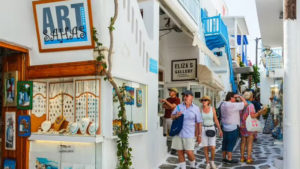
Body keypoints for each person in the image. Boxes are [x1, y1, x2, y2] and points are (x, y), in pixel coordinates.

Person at [171, 90, 202, 169]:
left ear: (192, 97)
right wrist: (176, 115)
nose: (185, 97)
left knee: (189, 152)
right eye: (184, 96)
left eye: (187, 96)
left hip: (189, 134)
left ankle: (192, 166)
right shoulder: (179, 106)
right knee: (180, 152)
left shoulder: (196, 108)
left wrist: (199, 135)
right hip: (178, 133)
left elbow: (199, 123)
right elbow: (172, 116)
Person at [240, 91, 267, 164]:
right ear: (251, 97)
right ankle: (249, 158)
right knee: (249, 142)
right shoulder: (250, 105)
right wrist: (259, 112)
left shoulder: (241, 104)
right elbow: (253, 116)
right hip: (249, 125)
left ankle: (242, 157)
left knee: (243, 142)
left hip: (242, 125)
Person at [220, 92, 247, 163]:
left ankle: (223, 157)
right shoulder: (233, 105)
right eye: (235, 98)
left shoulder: (222, 104)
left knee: (225, 142)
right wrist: (240, 96)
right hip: (233, 126)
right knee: (231, 143)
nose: (235, 99)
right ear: (231, 97)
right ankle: (229, 158)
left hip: (225, 126)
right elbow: (245, 103)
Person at [200, 96, 223, 169]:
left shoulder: (212, 109)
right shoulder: (200, 110)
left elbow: (216, 120)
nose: (204, 101)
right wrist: (199, 133)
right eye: (203, 100)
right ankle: (207, 163)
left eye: (205, 100)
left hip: (211, 128)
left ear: (208, 101)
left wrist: (220, 130)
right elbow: (199, 122)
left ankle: (212, 162)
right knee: (205, 147)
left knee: (213, 147)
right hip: (203, 129)